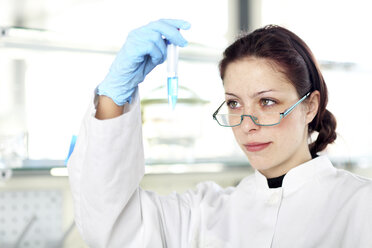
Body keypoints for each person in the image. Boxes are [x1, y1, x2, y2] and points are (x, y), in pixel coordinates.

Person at [67, 19, 372, 248]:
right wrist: (113, 96)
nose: (247, 124)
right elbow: (111, 228)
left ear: (310, 107)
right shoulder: (205, 211)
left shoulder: (360, 206)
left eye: (267, 101)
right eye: (234, 103)